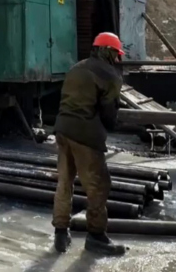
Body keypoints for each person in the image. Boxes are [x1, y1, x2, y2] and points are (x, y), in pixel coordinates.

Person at [51, 32, 127, 256]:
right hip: (86, 135)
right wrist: (113, 124)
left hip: (63, 129)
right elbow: (108, 112)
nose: (118, 59)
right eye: (116, 54)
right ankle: (96, 236)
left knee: (64, 182)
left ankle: (60, 233)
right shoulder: (109, 74)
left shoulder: (76, 67)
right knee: (98, 186)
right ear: (109, 52)